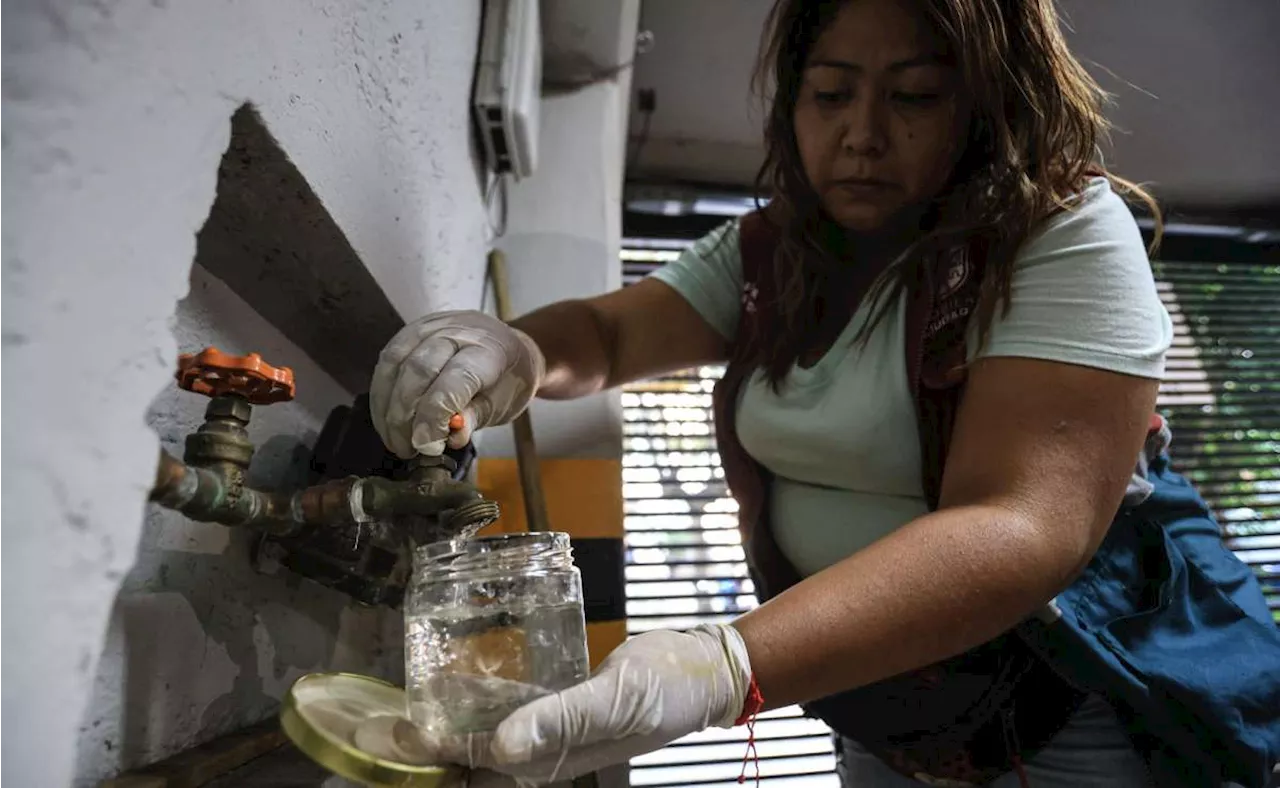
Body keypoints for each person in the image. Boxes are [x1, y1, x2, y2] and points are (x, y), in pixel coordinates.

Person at [371, 0, 1280, 786]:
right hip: (870, 702)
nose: (862, 134)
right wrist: (517, 350)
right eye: (830, 93)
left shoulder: (1062, 234)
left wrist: (729, 661)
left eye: (916, 96)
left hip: (1064, 704)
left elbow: (1021, 522)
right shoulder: (776, 251)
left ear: (990, 101)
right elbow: (610, 336)